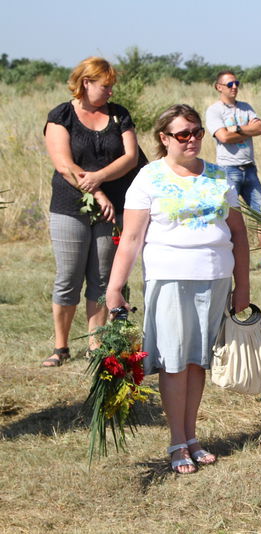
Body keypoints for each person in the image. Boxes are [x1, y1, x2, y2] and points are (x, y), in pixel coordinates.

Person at [105, 104, 250, 474]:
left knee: (198, 360)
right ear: (164, 138)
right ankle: (176, 441)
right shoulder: (148, 178)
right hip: (168, 278)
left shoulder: (219, 176)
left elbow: (238, 233)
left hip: (215, 278)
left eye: (197, 132)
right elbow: (132, 237)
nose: (191, 140)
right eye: (182, 134)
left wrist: (242, 286)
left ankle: (192, 436)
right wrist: (115, 287)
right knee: (173, 360)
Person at [42, 56, 141, 367]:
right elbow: (63, 164)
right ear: (86, 83)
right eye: (105, 86)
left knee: (102, 278)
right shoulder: (62, 115)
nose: (111, 92)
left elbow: (130, 157)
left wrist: (101, 177)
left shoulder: (119, 115)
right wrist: (96, 190)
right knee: (69, 276)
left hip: (114, 208)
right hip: (70, 207)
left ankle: (95, 344)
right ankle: (61, 347)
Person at [206, 70, 261, 271]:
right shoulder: (214, 111)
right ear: (218, 87)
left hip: (249, 168)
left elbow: (260, 129)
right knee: (227, 215)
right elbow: (222, 137)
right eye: (229, 84)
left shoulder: (246, 108)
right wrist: (244, 130)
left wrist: (236, 130)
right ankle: (226, 259)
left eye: (236, 83)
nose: (234, 87)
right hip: (228, 169)